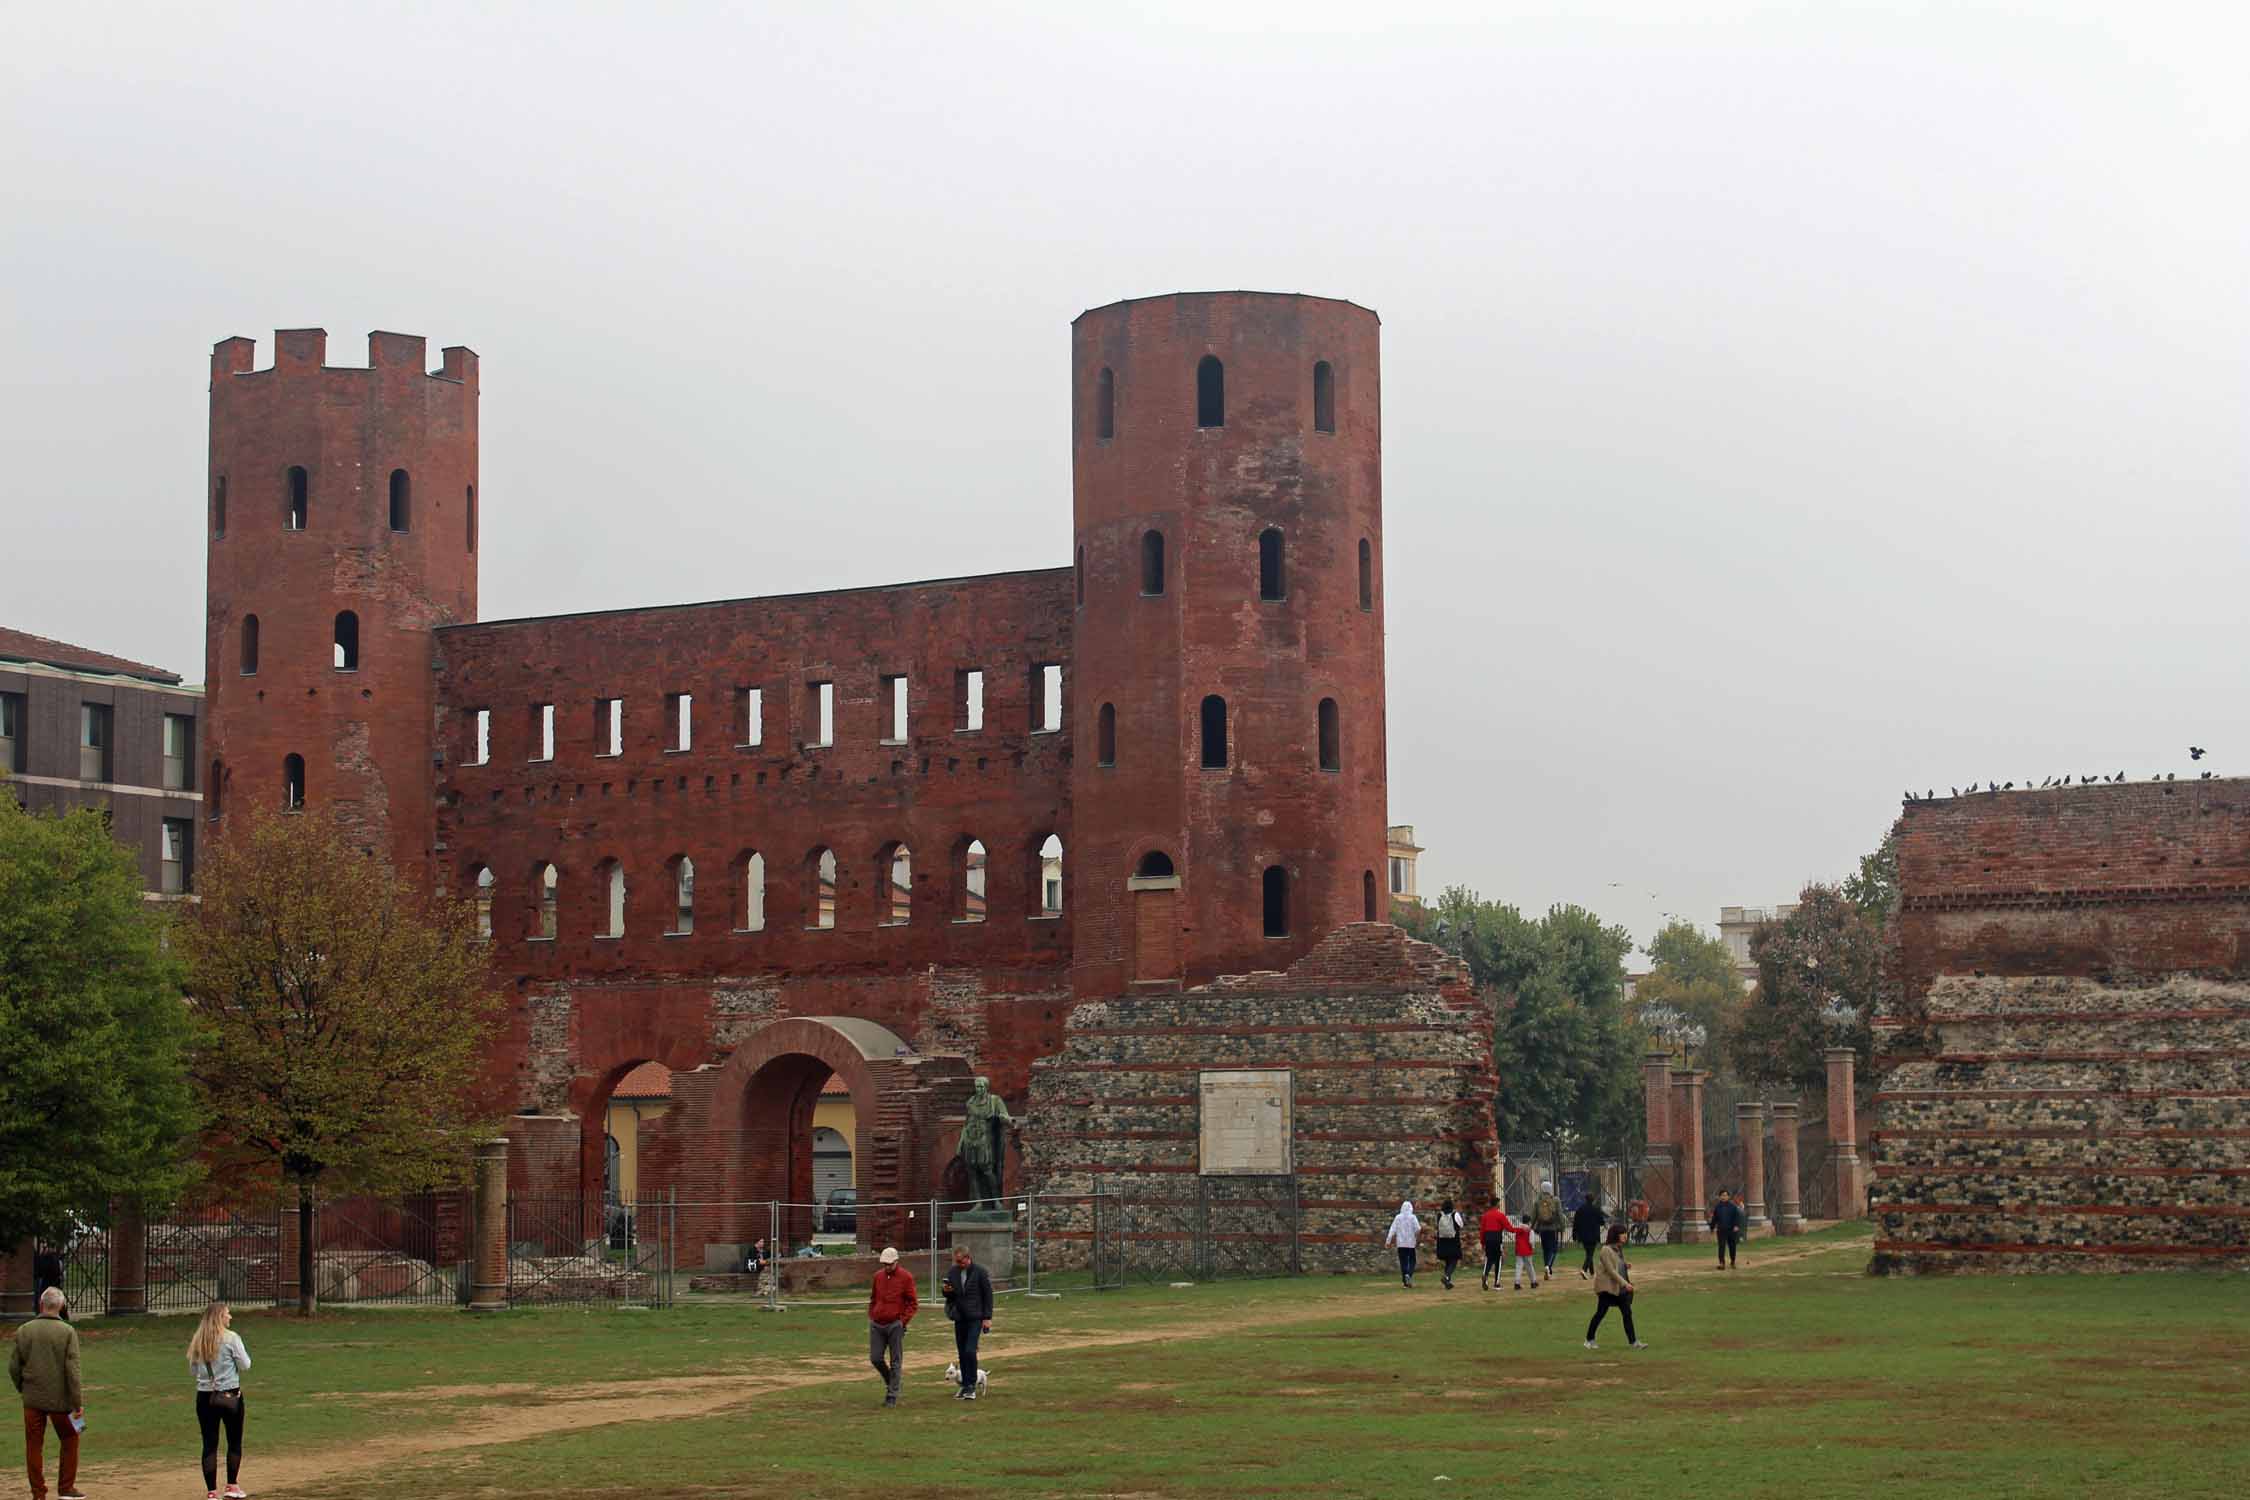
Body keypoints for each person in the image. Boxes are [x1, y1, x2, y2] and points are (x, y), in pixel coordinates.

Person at [9, 1287, 82, 1500]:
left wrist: (23, 1387)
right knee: (70, 1438)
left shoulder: (24, 1330)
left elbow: (14, 1367)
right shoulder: (68, 1332)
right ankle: (66, 1488)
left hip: (32, 1398)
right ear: (61, 1306)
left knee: (33, 1445)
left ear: (41, 1305)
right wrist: (77, 1402)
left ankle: (38, 1493)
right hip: (61, 1400)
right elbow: (73, 1371)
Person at [188, 1300, 252, 1500]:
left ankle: (211, 1492)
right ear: (220, 1317)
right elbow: (245, 1365)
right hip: (230, 1395)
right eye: (227, 1313)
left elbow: (193, 1370)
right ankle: (232, 1485)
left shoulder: (198, 1339)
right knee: (234, 1440)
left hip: (205, 1396)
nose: (230, 1316)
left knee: (209, 1443)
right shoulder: (231, 1338)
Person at [866, 1246, 919, 1408]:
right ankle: (892, 1382)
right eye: (885, 1264)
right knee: (875, 1358)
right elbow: (873, 1297)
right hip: (877, 1323)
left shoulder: (906, 1278)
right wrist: (873, 1313)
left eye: (890, 1264)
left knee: (896, 1360)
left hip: (895, 1324)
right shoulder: (878, 1277)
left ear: (896, 1262)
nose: (887, 1267)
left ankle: (892, 1395)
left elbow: (913, 1303)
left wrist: (902, 1322)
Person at [940, 1245, 993, 1401]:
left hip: (975, 1317)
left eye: (961, 1261)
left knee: (970, 1350)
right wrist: (946, 1290)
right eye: (956, 1262)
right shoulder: (953, 1272)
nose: (959, 1264)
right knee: (962, 1352)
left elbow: (988, 1296)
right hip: (959, 1317)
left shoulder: (980, 1272)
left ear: (968, 1258)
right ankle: (965, 1386)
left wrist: (987, 1318)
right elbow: (949, 1295)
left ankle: (971, 1385)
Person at [1585, 1224, 1648, 1351]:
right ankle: (1589, 1340)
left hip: (1619, 1289)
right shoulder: (1605, 1250)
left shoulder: (1618, 1249)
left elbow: (1617, 1264)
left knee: (1627, 1313)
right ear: (1615, 1235)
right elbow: (1611, 1271)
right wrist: (1626, 1284)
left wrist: (1625, 1265)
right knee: (1600, 1313)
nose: (1625, 1235)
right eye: (1622, 1233)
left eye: (1625, 1233)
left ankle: (1634, 1342)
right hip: (1607, 1289)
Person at [1382, 1200, 1423, 1288]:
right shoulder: (1413, 1217)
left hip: (1401, 1243)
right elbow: (1418, 1229)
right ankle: (1408, 1274)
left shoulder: (1398, 1217)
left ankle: (1405, 1282)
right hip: (1410, 1243)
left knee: (1403, 1262)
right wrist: (1416, 1236)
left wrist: (1388, 1241)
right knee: (1412, 1260)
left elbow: (1392, 1230)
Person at [1531, 1180, 1565, 1278]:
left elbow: (1534, 1216)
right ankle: (1548, 1266)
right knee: (1553, 1249)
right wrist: (1562, 1226)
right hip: (1553, 1228)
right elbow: (1560, 1214)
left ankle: (1547, 1267)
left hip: (1542, 1229)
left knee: (1545, 1249)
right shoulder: (1555, 1200)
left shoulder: (1538, 1201)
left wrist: (1531, 1227)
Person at [1431, 1199, 1466, 1290]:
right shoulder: (1455, 1214)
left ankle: (1448, 1281)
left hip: (1442, 1241)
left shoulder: (1439, 1215)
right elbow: (1461, 1224)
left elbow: (1437, 1226)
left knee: (1447, 1261)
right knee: (1454, 1260)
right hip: (1453, 1240)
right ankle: (1446, 1276)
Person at [1572, 1191, 1609, 1278]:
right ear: (1593, 1200)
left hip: (1583, 1235)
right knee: (1590, 1254)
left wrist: (1574, 1234)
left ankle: (1592, 1273)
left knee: (1588, 1253)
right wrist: (1603, 1223)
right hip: (1593, 1235)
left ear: (1585, 1199)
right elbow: (1601, 1222)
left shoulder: (1580, 1209)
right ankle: (1584, 1269)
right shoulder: (1596, 1209)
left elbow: (1575, 1223)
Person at [1709, 1188, 1745, 1270]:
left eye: (1725, 1195)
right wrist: (1712, 1227)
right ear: (1719, 1197)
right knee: (1721, 1247)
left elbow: (1737, 1217)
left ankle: (1733, 1261)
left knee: (1732, 1246)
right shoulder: (1717, 1207)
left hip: (1731, 1230)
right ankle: (1722, 1263)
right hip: (1721, 1230)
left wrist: (1736, 1226)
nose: (1724, 1197)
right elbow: (1715, 1218)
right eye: (1722, 1195)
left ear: (1728, 1197)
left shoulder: (1733, 1206)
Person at [1477, 1201, 1508, 1291]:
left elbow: (1482, 1230)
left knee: (1489, 1258)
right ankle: (1496, 1283)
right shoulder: (1500, 1215)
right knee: (1498, 1260)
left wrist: (1482, 1242)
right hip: (1497, 1239)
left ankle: (1485, 1275)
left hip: (1488, 1239)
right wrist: (1519, 1230)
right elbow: (1508, 1227)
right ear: (1497, 1205)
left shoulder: (1485, 1215)